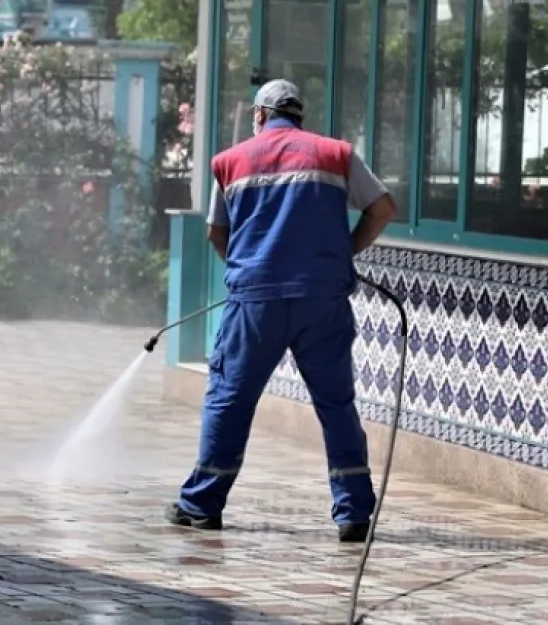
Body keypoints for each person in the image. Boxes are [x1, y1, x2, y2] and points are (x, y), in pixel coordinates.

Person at [165, 79, 396, 542]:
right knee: (336, 404)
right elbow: (383, 209)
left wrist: (251, 270)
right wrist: (342, 253)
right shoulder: (336, 154)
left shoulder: (232, 161)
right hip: (323, 300)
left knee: (230, 400)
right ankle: (353, 514)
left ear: (260, 115)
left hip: (255, 303)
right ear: (298, 116)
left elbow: (216, 233)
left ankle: (202, 505)